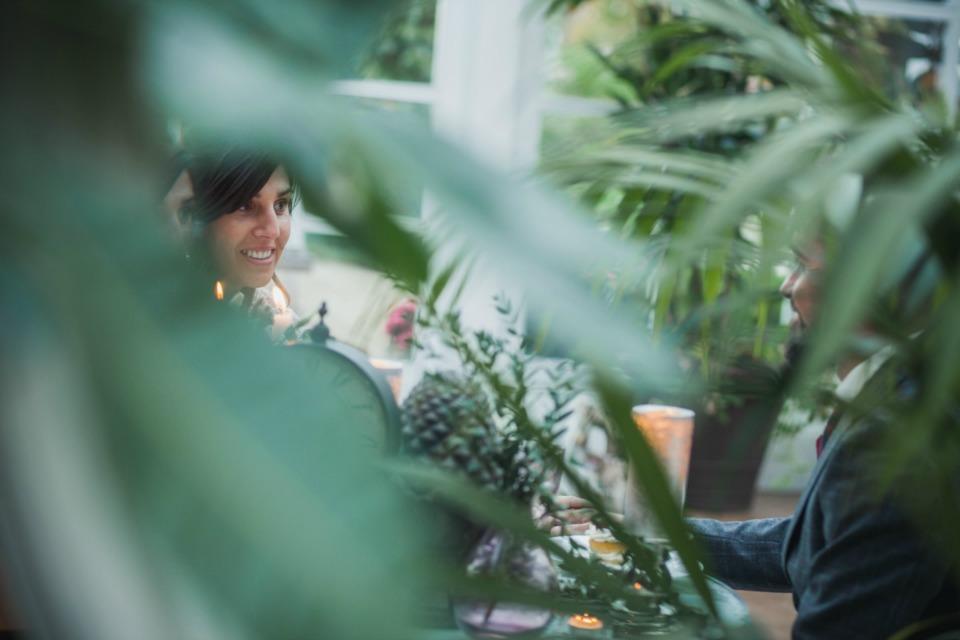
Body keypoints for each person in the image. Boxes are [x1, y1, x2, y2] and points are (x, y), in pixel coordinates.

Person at [686, 240, 960, 638]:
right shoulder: (892, 395)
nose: (786, 287)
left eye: (801, 265)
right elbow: (813, 545)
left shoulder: (889, 437)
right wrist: (652, 537)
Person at [175, 145, 301, 340]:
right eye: (246, 206)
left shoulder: (280, 327)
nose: (273, 230)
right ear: (198, 218)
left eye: (280, 205)